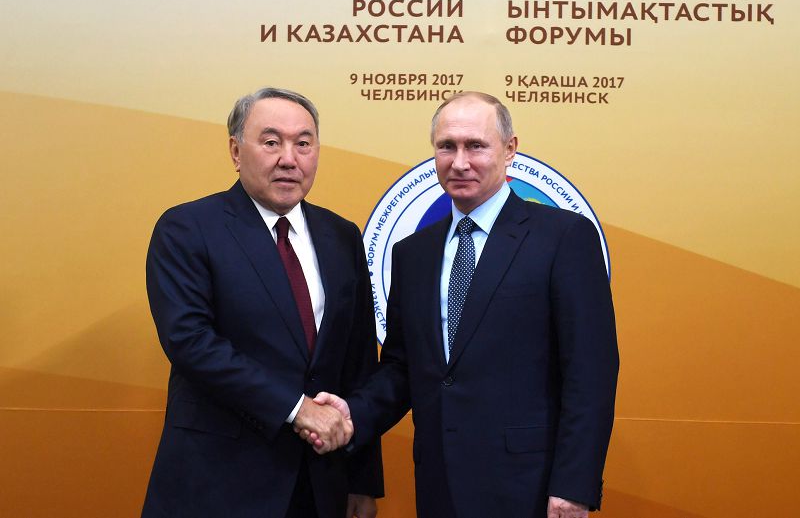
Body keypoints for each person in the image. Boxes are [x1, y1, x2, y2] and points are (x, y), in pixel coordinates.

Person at [306, 92, 619, 518]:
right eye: (446, 146)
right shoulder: (413, 253)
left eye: (476, 146)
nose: (459, 162)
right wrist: (353, 413)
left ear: (509, 149)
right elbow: (402, 368)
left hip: (532, 489)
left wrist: (574, 486)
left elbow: (590, 373)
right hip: (440, 486)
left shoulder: (563, 237)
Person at [142, 87, 382, 518]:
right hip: (218, 481)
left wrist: (362, 480)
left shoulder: (341, 236)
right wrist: (297, 409)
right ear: (236, 151)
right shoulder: (188, 228)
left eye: (303, 143)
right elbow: (191, 342)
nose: (289, 159)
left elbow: (358, 360)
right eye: (271, 142)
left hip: (320, 484)